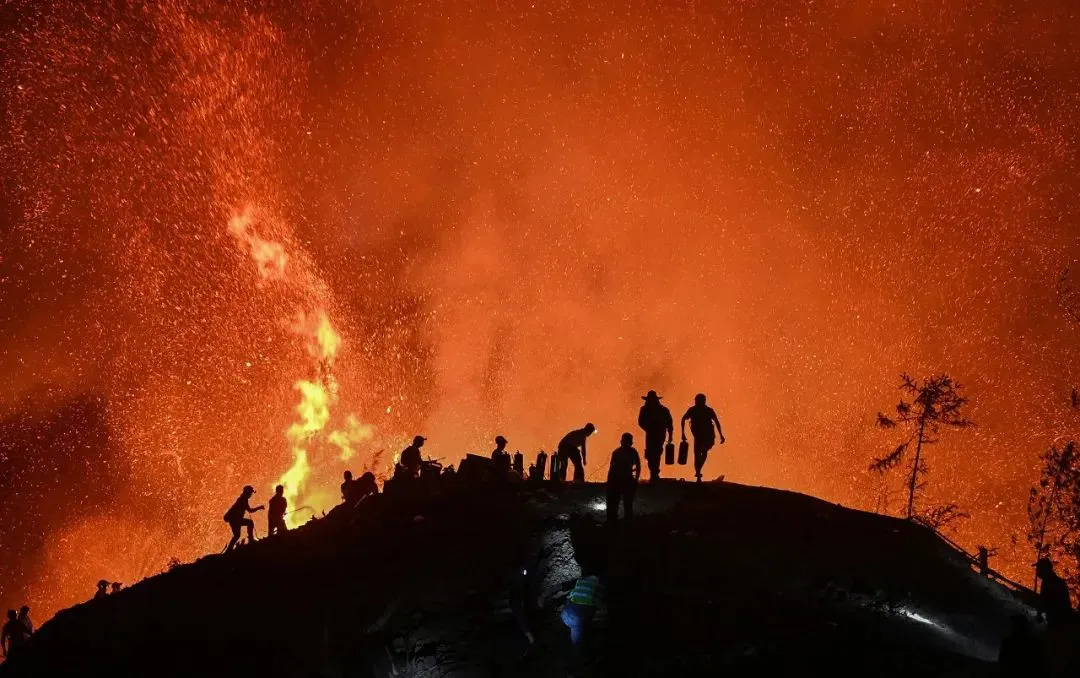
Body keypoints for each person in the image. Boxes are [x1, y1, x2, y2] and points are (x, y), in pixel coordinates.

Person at [681, 393, 725, 482]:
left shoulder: (705, 410)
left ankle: (698, 472)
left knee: (702, 453)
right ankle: (698, 473)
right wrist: (682, 433)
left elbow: (716, 422)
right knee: (699, 454)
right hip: (699, 436)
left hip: (707, 436)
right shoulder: (695, 410)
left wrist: (721, 434)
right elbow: (683, 419)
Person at [638, 390, 673, 483]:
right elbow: (641, 422)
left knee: (655, 453)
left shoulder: (659, 410)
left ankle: (654, 473)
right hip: (654, 434)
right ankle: (654, 473)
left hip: (656, 434)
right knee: (653, 453)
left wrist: (670, 435)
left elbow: (669, 423)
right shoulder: (661, 410)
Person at [560, 573, 604, 647]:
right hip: (577, 616)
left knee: (576, 626)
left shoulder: (580, 581)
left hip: (565, 613)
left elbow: (569, 596)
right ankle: (577, 651)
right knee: (577, 642)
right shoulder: (600, 585)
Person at [607, 432, 641, 522]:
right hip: (625, 481)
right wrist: (636, 479)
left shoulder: (617, 452)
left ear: (621, 442)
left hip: (620, 481)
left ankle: (614, 522)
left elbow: (612, 469)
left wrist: (609, 482)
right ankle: (626, 521)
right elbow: (637, 467)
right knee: (627, 504)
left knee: (618, 503)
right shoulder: (633, 452)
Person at [223, 485, 264, 552]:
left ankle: (229, 549)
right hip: (235, 520)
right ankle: (251, 540)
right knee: (250, 522)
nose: (251, 494)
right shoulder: (243, 500)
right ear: (247, 492)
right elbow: (250, 510)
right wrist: (259, 508)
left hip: (233, 520)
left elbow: (249, 510)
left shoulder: (243, 499)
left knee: (237, 535)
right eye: (250, 493)